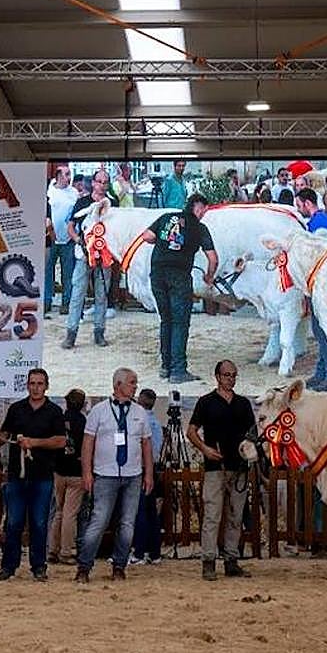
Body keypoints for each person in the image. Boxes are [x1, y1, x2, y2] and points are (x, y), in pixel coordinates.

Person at [74, 369, 153, 583]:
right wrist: (87, 472)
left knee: (127, 524)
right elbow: (87, 443)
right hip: (105, 474)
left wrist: (149, 474)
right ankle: (84, 566)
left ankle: (119, 565)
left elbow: (146, 444)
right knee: (98, 521)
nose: (135, 386)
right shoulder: (99, 411)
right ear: (118, 385)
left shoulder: (140, 412)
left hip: (133, 475)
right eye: (132, 383)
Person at [0, 368, 65, 582]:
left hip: (42, 476)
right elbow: (5, 433)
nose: (36, 387)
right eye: (32, 383)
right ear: (27, 385)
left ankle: (38, 566)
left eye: (40, 383)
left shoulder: (54, 412)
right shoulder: (16, 409)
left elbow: (60, 441)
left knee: (39, 523)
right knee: (13, 523)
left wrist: (35, 442)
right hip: (16, 475)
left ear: (46, 386)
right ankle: (8, 566)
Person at [138, 193, 218, 384]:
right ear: (197, 207)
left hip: (157, 274)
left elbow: (146, 236)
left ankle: (166, 366)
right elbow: (213, 258)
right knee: (180, 323)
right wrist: (209, 276)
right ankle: (178, 370)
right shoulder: (199, 228)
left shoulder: (166, 217)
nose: (204, 214)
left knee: (166, 320)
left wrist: (164, 242)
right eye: (204, 210)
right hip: (179, 277)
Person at [187, 360, 256, 581]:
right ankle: (208, 562)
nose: (231, 379)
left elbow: (252, 433)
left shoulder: (243, 403)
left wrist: (250, 453)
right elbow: (191, 431)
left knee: (236, 517)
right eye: (227, 375)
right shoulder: (206, 402)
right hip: (215, 467)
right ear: (217, 376)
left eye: (234, 375)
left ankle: (231, 560)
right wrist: (205, 449)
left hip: (239, 467)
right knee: (212, 516)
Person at [295, 187, 327, 392]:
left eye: (299, 204)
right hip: (318, 283)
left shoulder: (319, 224)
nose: (298, 208)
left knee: (324, 331)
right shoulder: (317, 221)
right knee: (319, 331)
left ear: (307, 203)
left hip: (323, 284)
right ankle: (322, 371)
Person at [63, 177, 113, 349]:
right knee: (77, 294)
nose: (102, 185)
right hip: (84, 254)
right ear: (93, 183)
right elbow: (70, 226)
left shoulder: (112, 204)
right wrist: (78, 240)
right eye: (99, 181)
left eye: (105, 182)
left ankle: (99, 332)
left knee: (102, 295)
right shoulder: (82, 202)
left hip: (105, 255)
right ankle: (71, 333)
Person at [48, 388, 87, 565]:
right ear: (83, 404)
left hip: (59, 470)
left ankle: (52, 549)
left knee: (59, 511)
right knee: (70, 513)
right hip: (76, 471)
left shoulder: (59, 419)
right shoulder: (82, 421)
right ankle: (66, 551)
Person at [132, 388, 165, 565]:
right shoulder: (156, 423)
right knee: (151, 512)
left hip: (142, 469)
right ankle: (154, 552)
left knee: (141, 511)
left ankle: (139, 552)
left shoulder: (141, 421)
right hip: (153, 468)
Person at [45, 164, 78, 318]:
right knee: (48, 271)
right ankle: (46, 301)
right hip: (50, 238)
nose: (69, 177)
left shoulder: (74, 193)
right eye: (66, 174)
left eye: (69, 174)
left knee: (68, 273)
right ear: (58, 176)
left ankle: (66, 302)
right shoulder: (49, 190)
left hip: (68, 239)